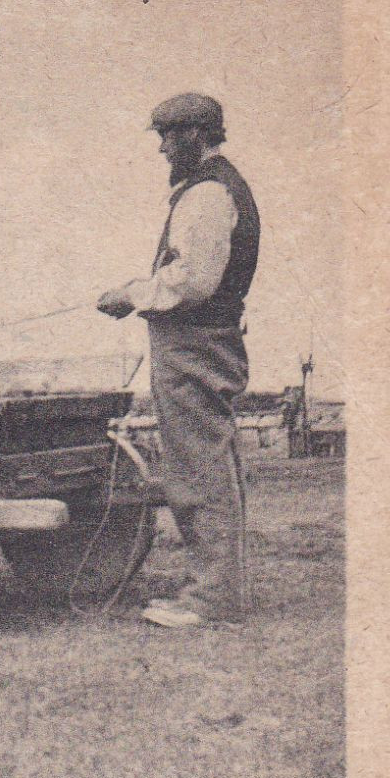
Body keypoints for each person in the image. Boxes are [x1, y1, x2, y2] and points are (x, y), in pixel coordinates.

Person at [97, 93, 259, 629]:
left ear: (196, 134)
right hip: (202, 340)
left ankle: (214, 599)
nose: (163, 148)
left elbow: (193, 280)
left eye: (169, 136)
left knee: (199, 465)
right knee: (211, 461)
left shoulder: (210, 193)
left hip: (196, 344)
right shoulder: (213, 186)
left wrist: (131, 293)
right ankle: (221, 588)